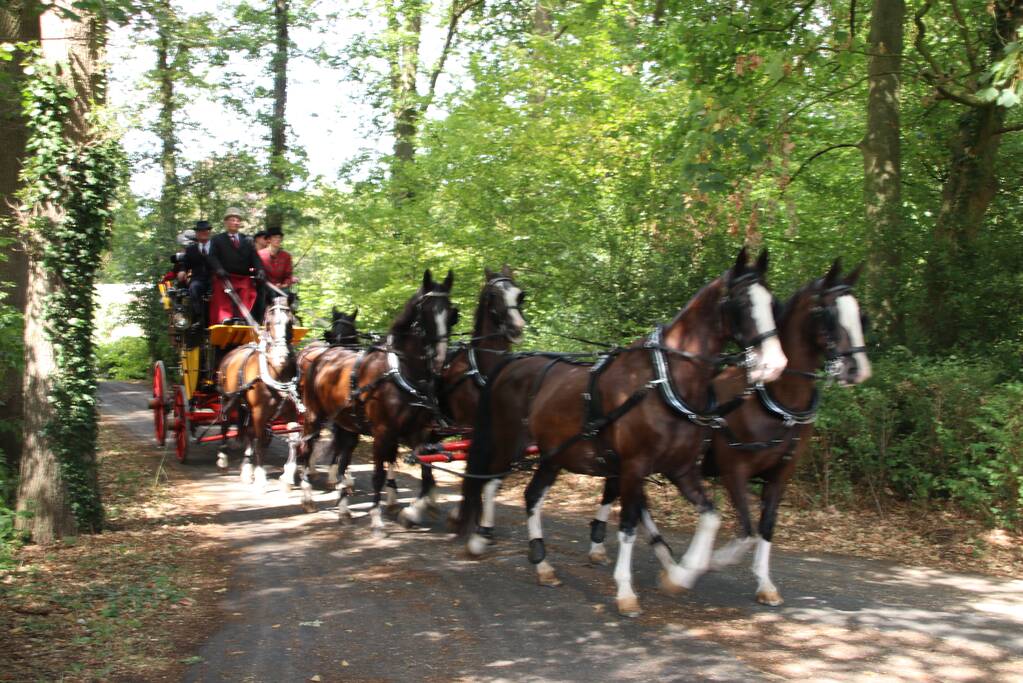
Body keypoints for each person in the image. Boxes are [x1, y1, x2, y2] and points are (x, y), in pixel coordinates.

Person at [206, 207, 265, 324]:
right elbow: (212, 256)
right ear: (226, 222)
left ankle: (242, 318)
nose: (235, 222)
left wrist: (260, 270)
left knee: (249, 291)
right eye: (232, 220)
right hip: (224, 277)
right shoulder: (217, 239)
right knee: (221, 292)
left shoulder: (247, 240)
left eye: (237, 220)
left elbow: (254, 257)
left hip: (243, 277)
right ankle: (224, 319)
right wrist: (219, 269)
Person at [176, 220, 214, 327]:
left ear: (209, 232)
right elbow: (185, 263)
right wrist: (182, 270)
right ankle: (199, 317)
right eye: (200, 231)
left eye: (205, 231)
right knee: (194, 287)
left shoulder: (216, 247)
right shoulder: (191, 249)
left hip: (215, 278)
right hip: (198, 279)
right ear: (196, 234)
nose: (203, 233)